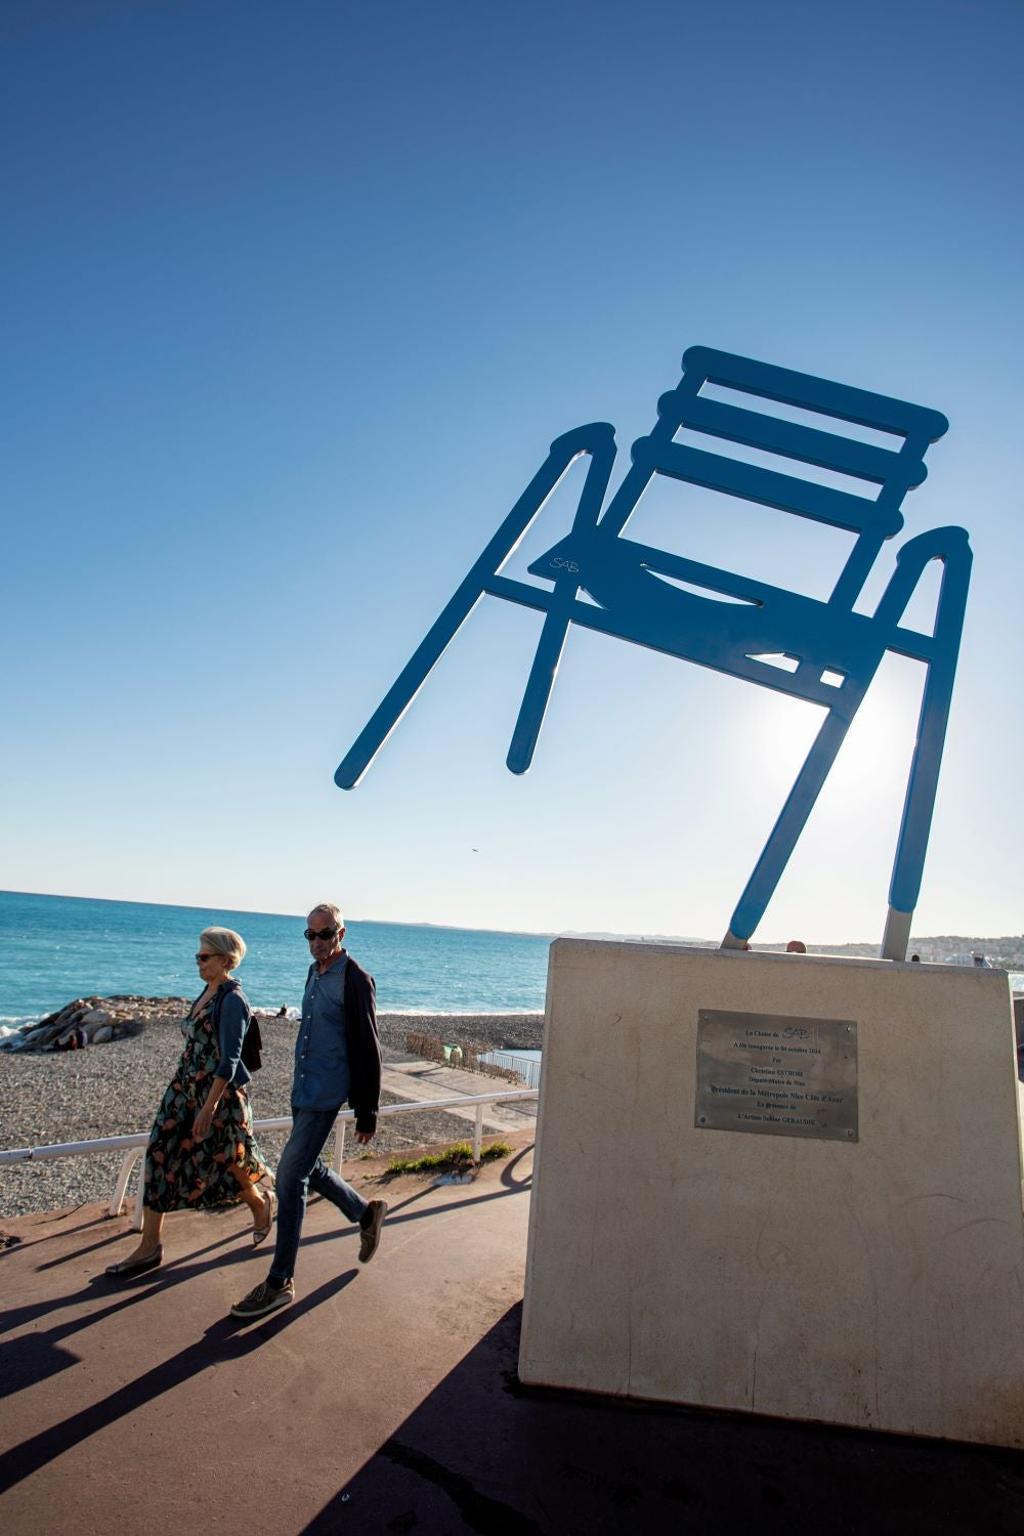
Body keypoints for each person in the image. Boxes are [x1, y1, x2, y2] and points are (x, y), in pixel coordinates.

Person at [230, 904, 387, 1319]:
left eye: (325, 934)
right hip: (303, 1089)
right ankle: (364, 1212)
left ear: (342, 932)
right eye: (310, 935)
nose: (317, 942)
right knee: (310, 1167)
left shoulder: (355, 979)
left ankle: (280, 1281)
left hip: (327, 1092)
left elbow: (369, 1047)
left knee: (289, 1176)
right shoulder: (314, 973)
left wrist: (367, 1110)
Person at [105, 927, 273, 1279]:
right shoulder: (207, 991)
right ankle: (150, 1246)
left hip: (217, 1095)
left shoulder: (233, 1001)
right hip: (184, 1090)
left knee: (228, 1159)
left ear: (226, 961)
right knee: (160, 1153)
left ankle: (259, 1203)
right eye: (198, 955)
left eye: (204, 956)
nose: (198, 961)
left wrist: (208, 1107)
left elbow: (229, 1060)